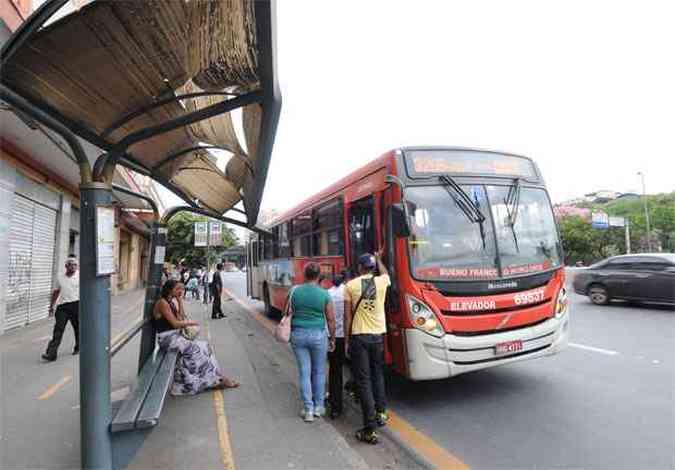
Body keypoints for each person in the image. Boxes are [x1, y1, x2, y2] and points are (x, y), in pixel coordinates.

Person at [153, 280, 238, 394]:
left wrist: (179, 301)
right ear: (169, 289)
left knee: (205, 347)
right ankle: (216, 380)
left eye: (182, 289)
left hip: (175, 337)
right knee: (196, 350)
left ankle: (216, 377)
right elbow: (175, 323)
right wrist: (191, 323)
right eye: (178, 289)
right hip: (167, 339)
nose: (180, 291)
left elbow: (181, 318)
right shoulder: (162, 303)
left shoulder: (171, 302)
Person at [344, 251, 390, 444]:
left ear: (359, 267)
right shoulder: (381, 282)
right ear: (372, 268)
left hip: (359, 337)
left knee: (363, 381)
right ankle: (381, 413)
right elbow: (386, 273)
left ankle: (369, 428)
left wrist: (346, 341)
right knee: (377, 374)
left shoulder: (350, 286)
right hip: (377, 336)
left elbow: (347, 316)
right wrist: (379, 259)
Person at [287, 263, 336, 422]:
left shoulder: (294, 291)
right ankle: (319, 407)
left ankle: (308, 410)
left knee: (304, 372)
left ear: (304, 274)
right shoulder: (324, 294)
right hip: (318, 336)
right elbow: (330, 319)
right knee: (319, 371)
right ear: (318, 275)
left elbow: (287, 313)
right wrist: (333, 338)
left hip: (298, 334)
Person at [42, 256, 80, 362]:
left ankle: (78, 347)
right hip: (62, 307)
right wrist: (51, 306)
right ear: (66, 266)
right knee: (58, 330)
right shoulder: (60, 277)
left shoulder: (80, 276)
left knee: (78, 328)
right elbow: (56, 292)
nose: (73, 267)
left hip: (77, 305)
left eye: (75, 265)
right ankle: (51, 354)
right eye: (71, 264)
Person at [327, 271, 348, 419]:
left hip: (330, 336)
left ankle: (334, 406)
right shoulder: (347, 293)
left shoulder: (327, 294)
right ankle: (340, 403)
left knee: (333, 371)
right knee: (340, 370)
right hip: (343, 337)